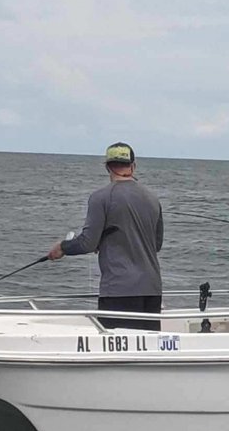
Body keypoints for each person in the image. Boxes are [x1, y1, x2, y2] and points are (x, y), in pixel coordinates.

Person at [47, 142, 164, 331]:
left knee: (116, 353)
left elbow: (87, 243)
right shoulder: (153, 198)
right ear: (133, 166)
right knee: (146, 349)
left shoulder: (100, 197)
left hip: (119, 291)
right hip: (152, 290)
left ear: (107, 166)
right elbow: (156, 245)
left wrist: (62, 247)